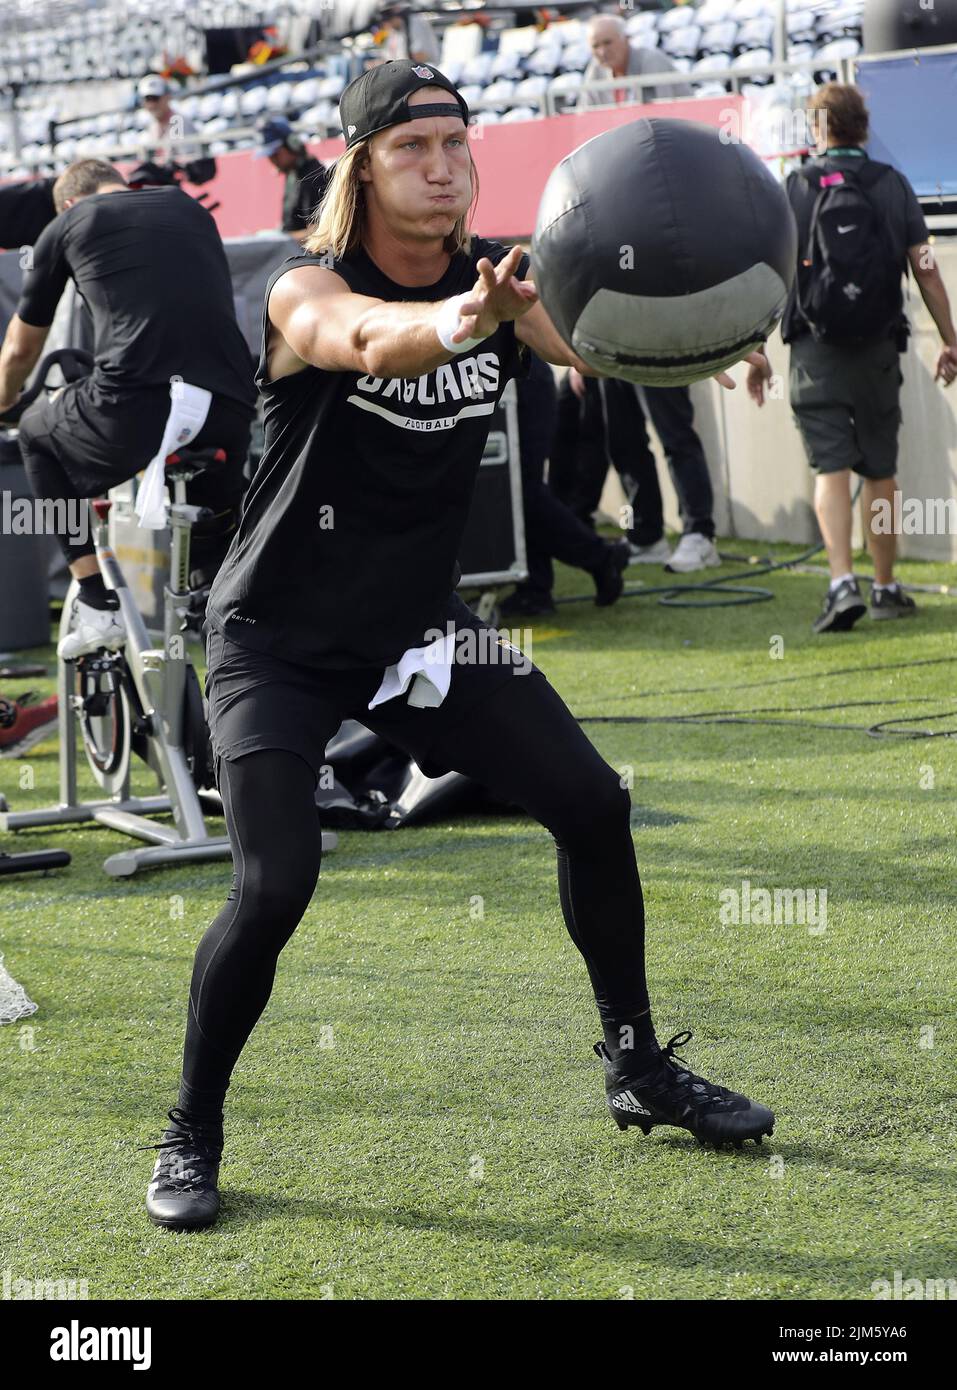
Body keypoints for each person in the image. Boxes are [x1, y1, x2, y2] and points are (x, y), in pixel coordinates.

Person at [140, 58, 773, 1234]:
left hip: (418, 633)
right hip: (274, 638)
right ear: (362, 164)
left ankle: (636, 1064)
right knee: (276, 882)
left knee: (592, 804)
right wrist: (456, 323)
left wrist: (718, 323)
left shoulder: (513, 280)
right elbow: (370, 342)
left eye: (457, 144)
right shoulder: (301, 286)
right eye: (413, 147)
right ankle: (192, 1126)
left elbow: (599, 349)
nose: (442, 168)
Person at [0, 159, 257, 658]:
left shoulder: (69, 222)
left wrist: (6, 399)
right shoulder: (186, 208)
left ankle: (97, 605)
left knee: (35, 436)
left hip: (137, 409)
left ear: (70, 202)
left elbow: (20, 349)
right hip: (228, 409)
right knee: (216, 534)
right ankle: (225, 608)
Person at [747, 83, 957, 633]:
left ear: (819, 128)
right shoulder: (892, 184)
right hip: (880, 348)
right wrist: (950, 339)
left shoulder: (795, 186)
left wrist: (755, 349)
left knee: (830, 467)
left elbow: (769, 272)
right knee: (880, 468)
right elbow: (927, 266)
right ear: (863, 127)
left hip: (816, 348)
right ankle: (886, 586)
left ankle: (842, 583)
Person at [501, 349, 630, 617]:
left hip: (521, 377)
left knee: (523, 493)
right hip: (512, 376)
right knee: (519, 495)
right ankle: (536, 590)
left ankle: (601, 559)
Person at [577, 13, 692, 109]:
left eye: (608, 42)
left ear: (626, 40)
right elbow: (584, 117)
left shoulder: (651, 60)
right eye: (595, 46)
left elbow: (664, 115)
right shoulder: (595, 69)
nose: (602, 52)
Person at [254, 117, 330, 241]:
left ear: (293, 144)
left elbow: (319, 234)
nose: (272, 160)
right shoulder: (293, 174)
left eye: (275, 154)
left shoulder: (314, 177)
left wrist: (281, 240)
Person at [137, 74, 203, 167]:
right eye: (148, 99)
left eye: (155, 98)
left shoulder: (178, 122)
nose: (152, 104)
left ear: (167, 97)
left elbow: (185, 161)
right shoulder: (152, 124)